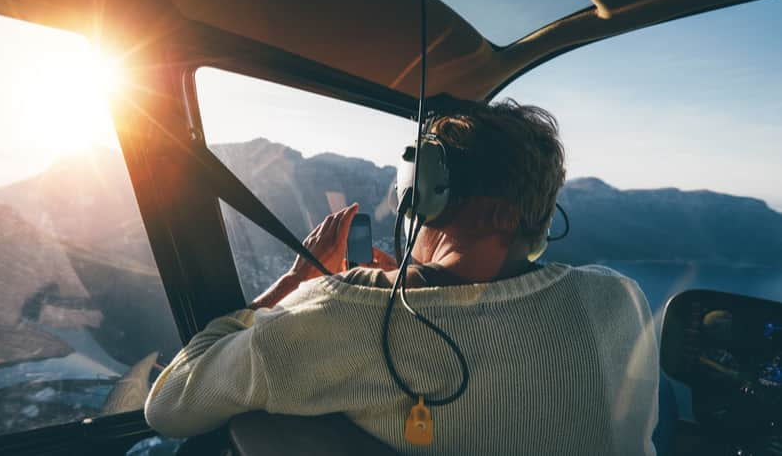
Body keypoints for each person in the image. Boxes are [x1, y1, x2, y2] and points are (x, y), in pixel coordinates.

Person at [144, 99, 658, 455]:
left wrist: (296, 283)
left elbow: (170, 405)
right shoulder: (616, 296)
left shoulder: (348, 312)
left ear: (425, 192)